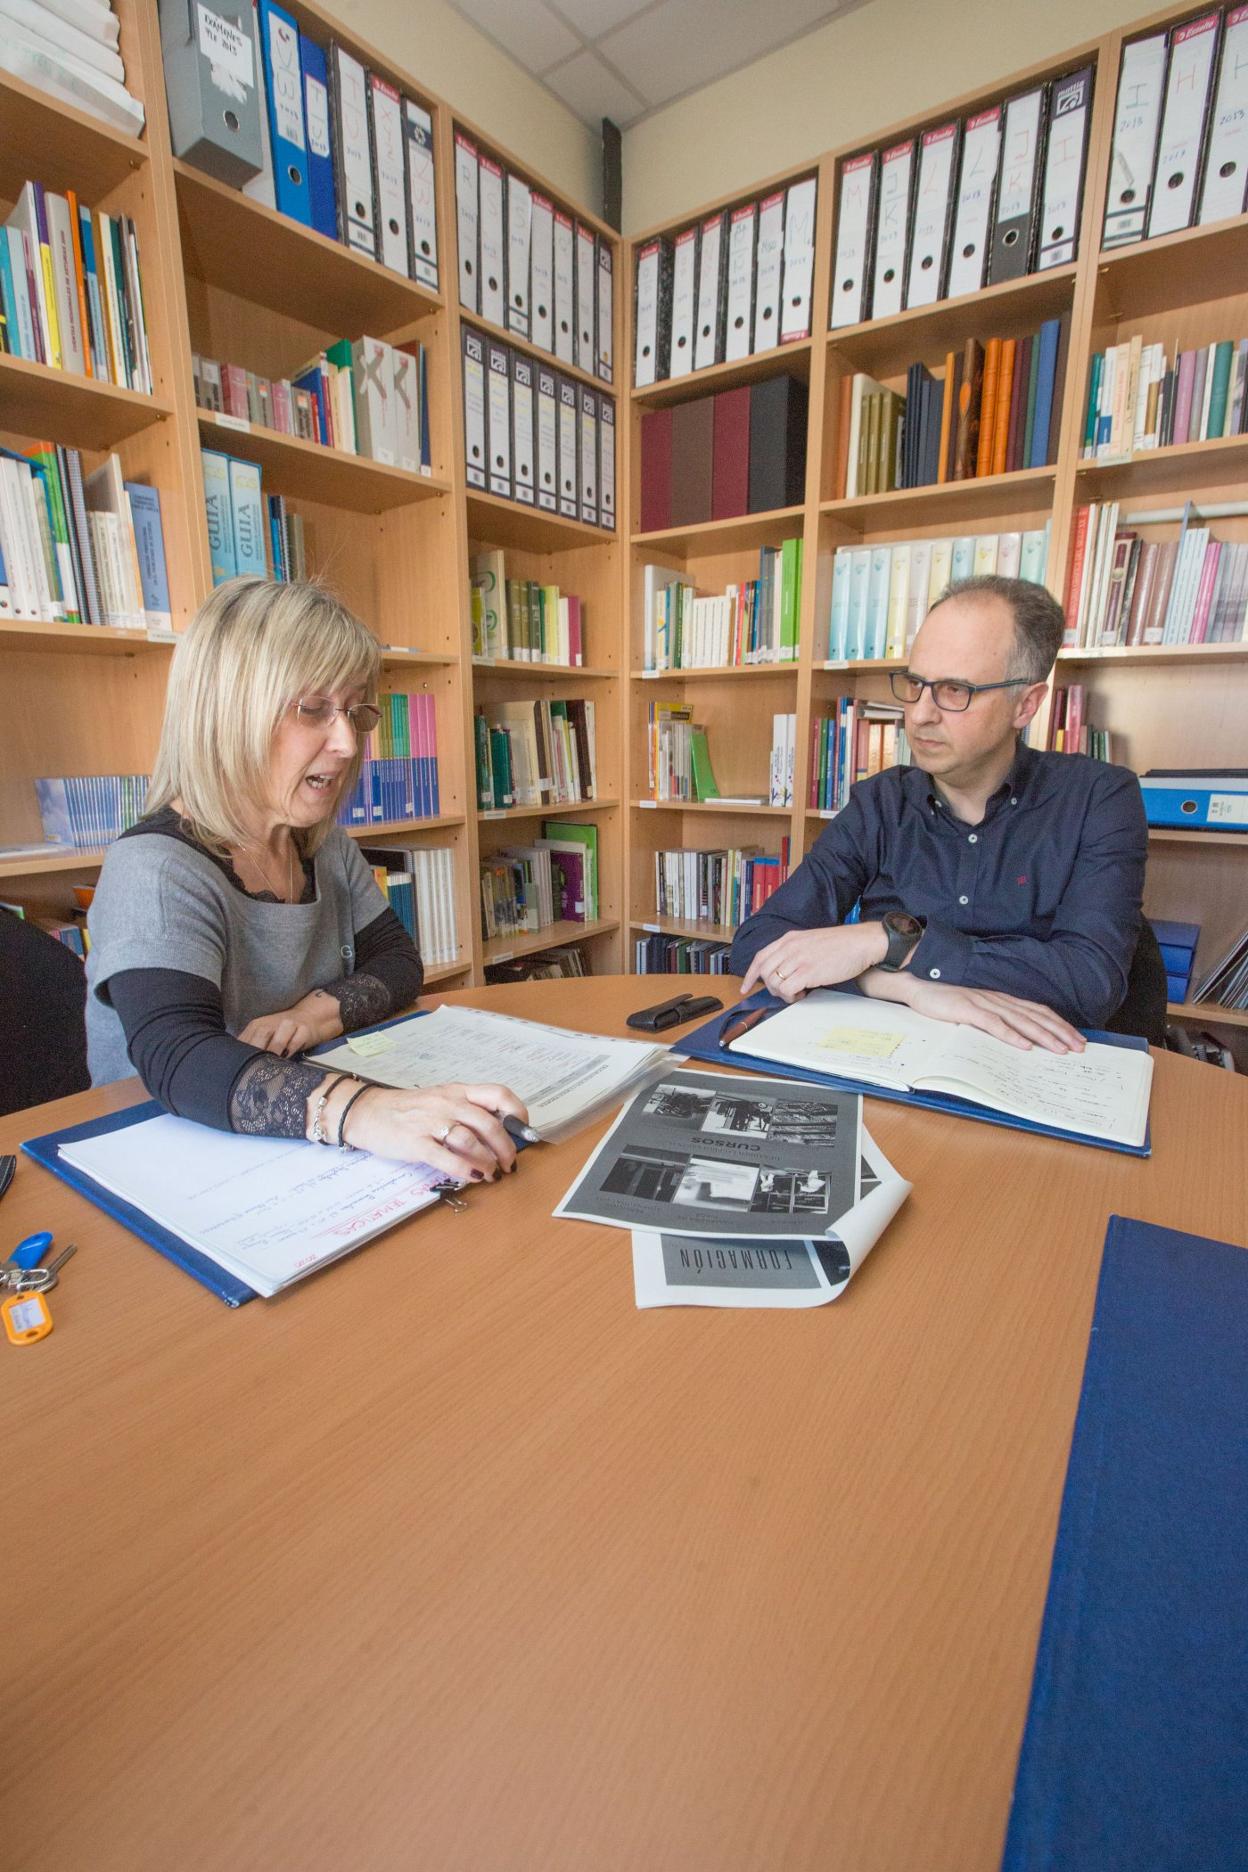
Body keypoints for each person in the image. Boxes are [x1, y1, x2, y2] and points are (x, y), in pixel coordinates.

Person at [86, 577, 526, 1180]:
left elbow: (398, 963)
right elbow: (179, 1058)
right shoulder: (155, 868)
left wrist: (313, 1016)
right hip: (171, 1160)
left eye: (354, 712)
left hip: (293, 1149)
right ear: (227, 710)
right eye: (313, 709)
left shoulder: (323, 846)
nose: (346, 743)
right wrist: (369, 1112)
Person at [731, 576, 1149, 1053]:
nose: (920, 715)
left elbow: (1090, 982)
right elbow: (758, 944)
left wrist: (892, 942)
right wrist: (908, 987)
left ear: (1026, 704)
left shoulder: (1099, 797)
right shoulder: (881, 802)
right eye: (915, 684)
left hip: (1036, 1063)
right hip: (895, 1056)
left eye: (954, 690)